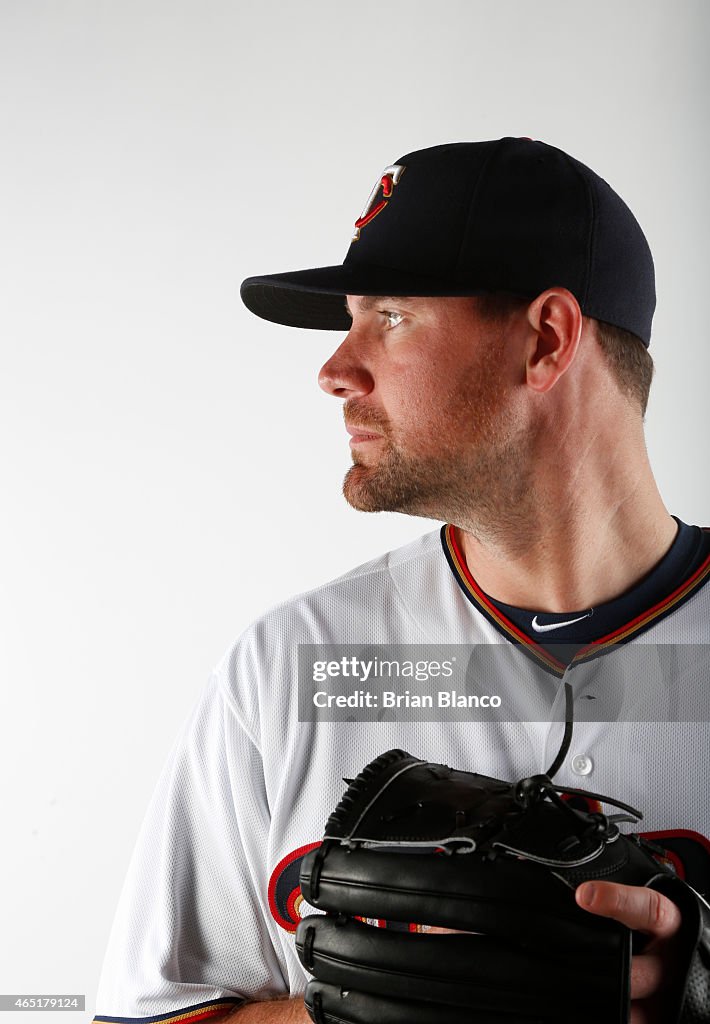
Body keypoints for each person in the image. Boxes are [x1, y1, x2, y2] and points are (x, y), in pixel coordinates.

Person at [93, 139, 710, 1024]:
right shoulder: (295, 666)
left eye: (389, 315)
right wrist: (357, 1012)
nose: (335, 370)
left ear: (545, 339)